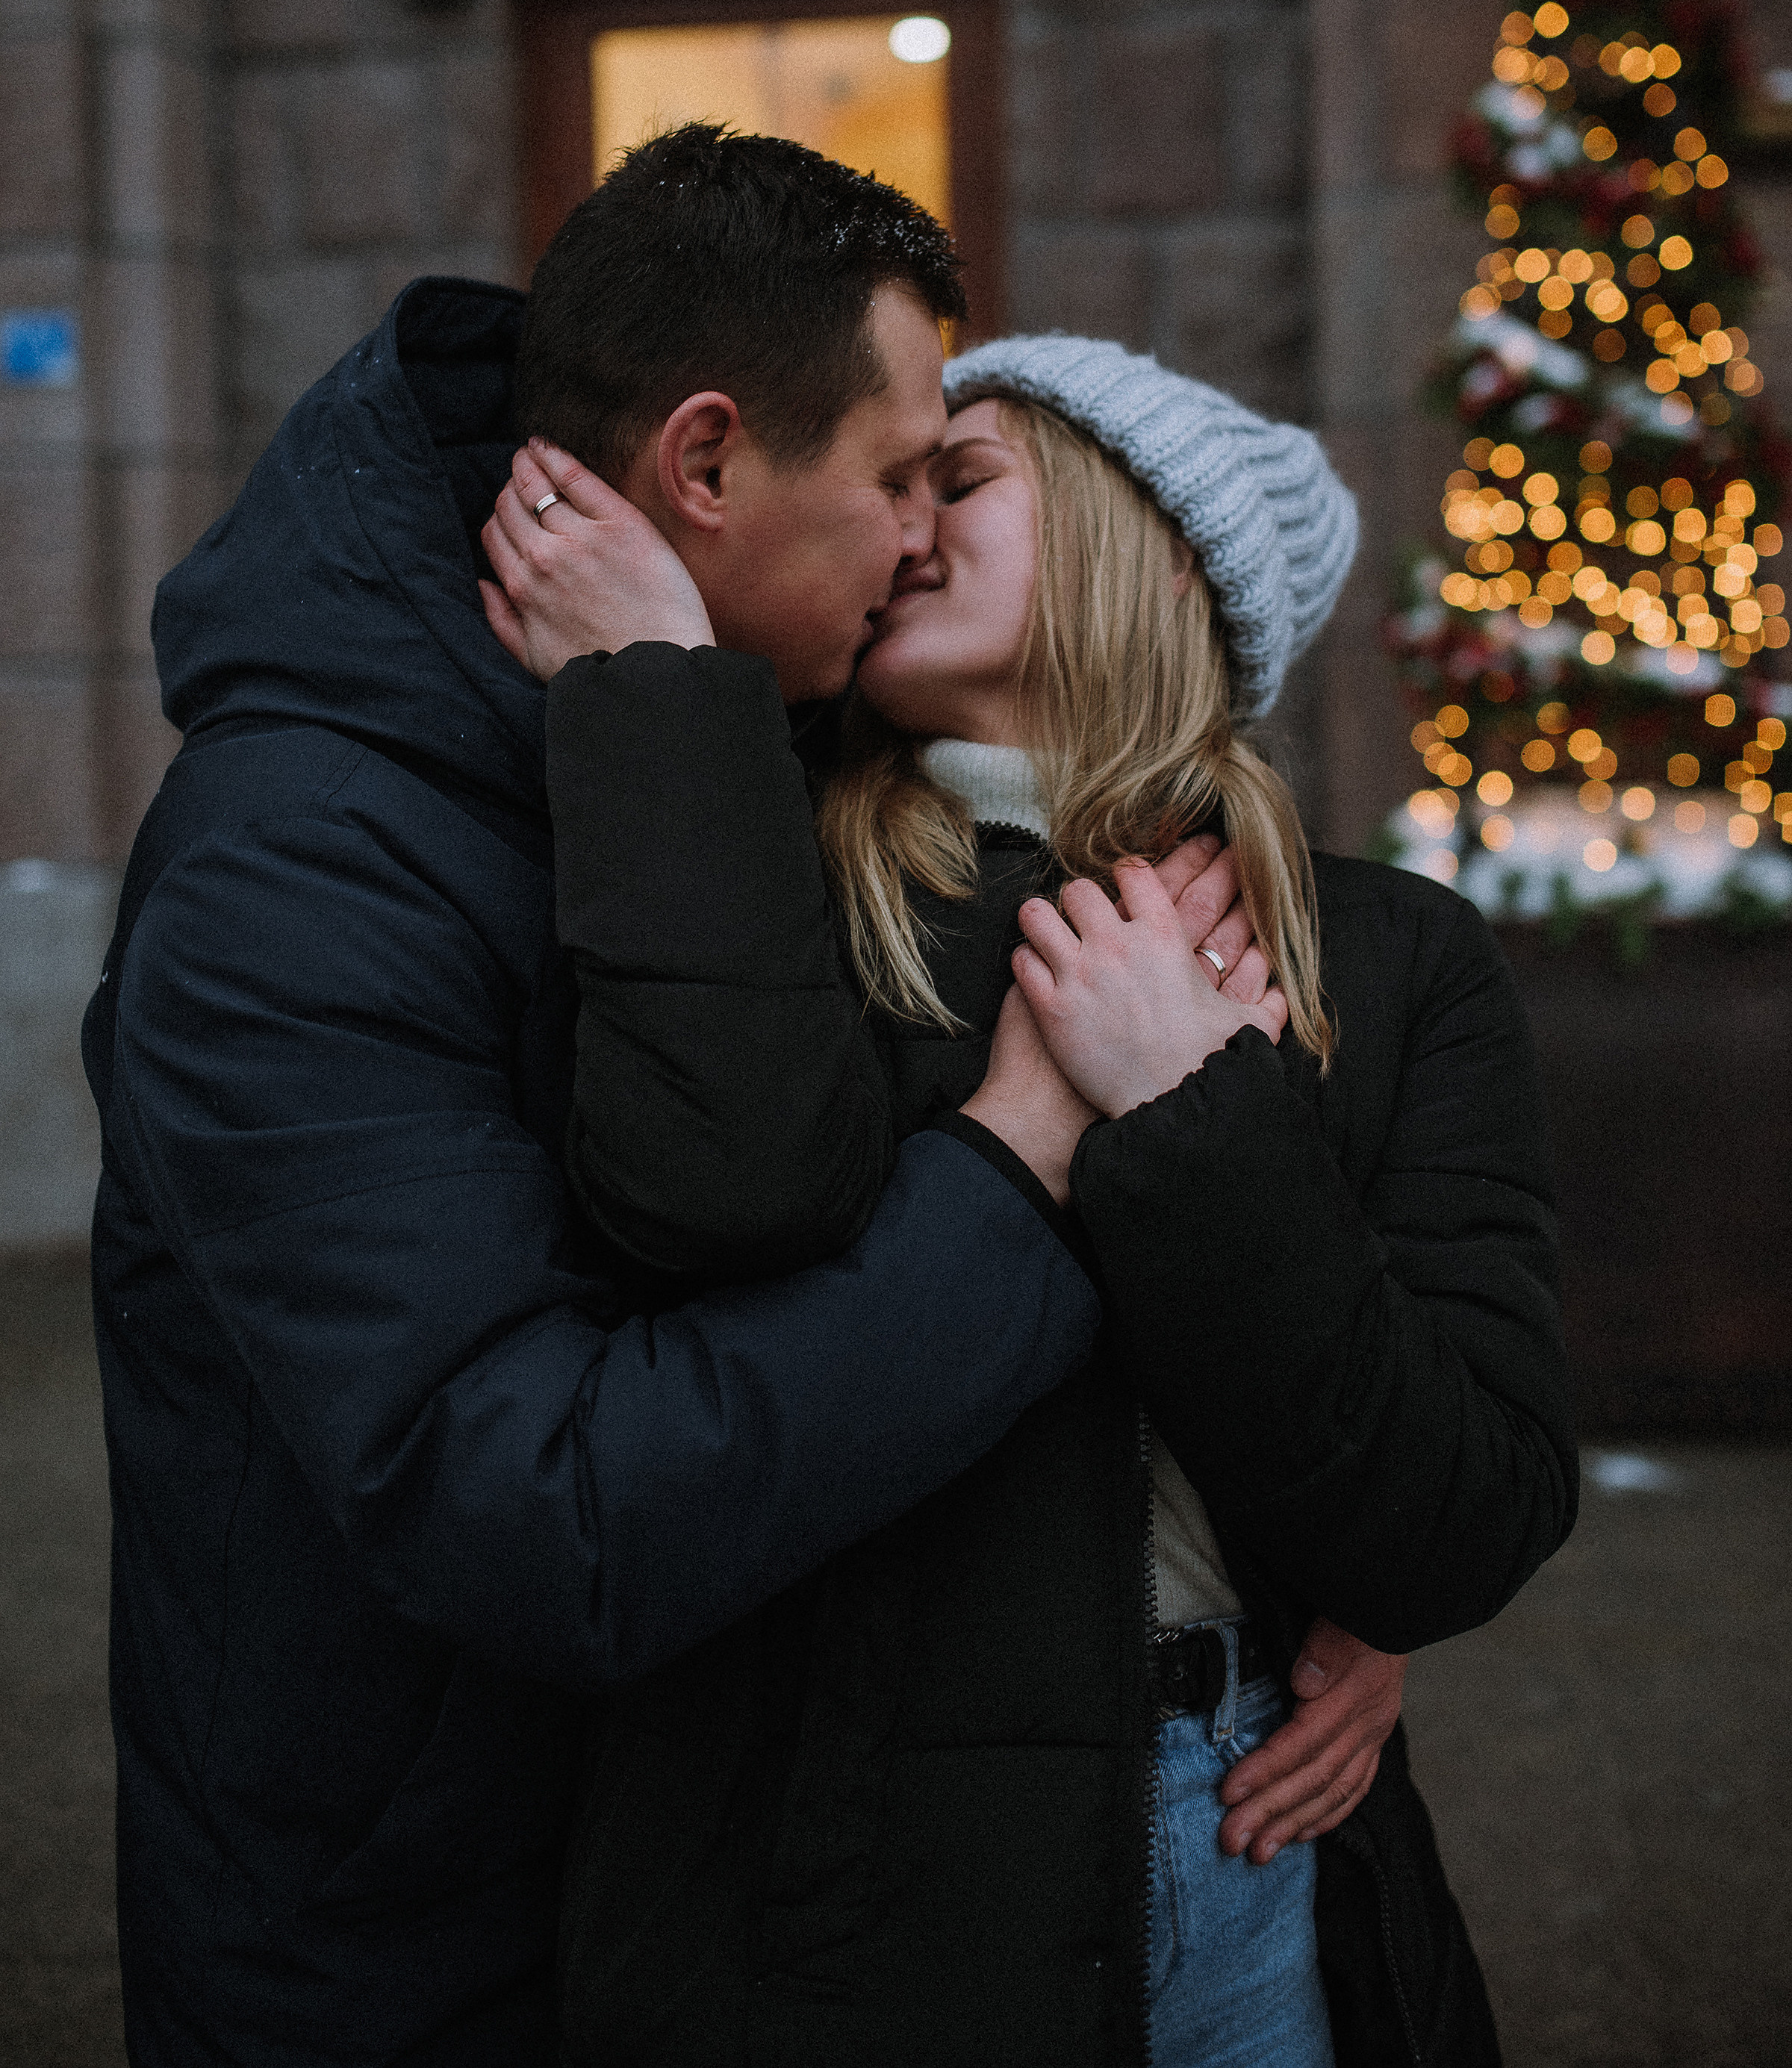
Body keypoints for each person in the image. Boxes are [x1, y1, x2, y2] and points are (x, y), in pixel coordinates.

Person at [81, 131, 1125, 2064]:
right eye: (898, 475)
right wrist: (1020, 1170)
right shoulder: (293, 871)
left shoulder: (768, 736)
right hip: (402, 1956)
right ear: (707, 464)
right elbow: (545, 1510)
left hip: (690, 1900)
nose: (926, 535)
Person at [483, 333, 1578, 2067]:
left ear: (1147, 545)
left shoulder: (1391, 957)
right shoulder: (757, 897)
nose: (899, 522)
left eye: (960, 479)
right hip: (841, 1885)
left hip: (1262, 1851)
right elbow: (703, 1286)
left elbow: (1467, 1513)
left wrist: (1194, 1106)